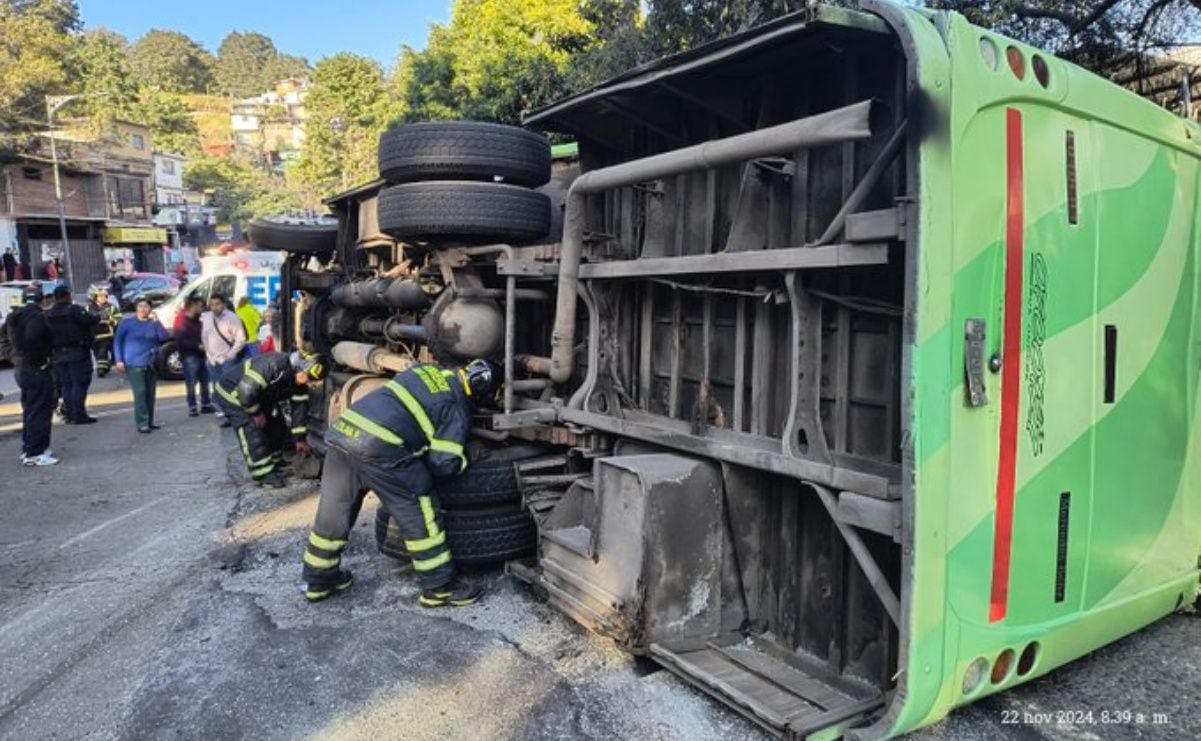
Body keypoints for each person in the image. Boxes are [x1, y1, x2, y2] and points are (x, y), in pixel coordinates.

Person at [301, 359, 501, 607]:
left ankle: (319, 580)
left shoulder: (427, 370)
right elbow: (443, 464)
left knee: (333, 512)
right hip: (380, 447)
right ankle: (439, 587)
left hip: (345, 432)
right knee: (420, 508)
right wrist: (467, 457)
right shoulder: (456, 406)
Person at [214, 351, 324, 488]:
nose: (306, 381)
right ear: (299, 366)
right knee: (252, 431)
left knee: (277, 425)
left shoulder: (299, 383)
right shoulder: (274, 364)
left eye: (310, 380)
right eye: (306, 376)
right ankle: (263, 474)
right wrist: (256, 412)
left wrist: (299, 439)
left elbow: (299, 410)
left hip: (258, 396)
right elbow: (246, 391)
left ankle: (275, 462)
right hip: (234, 393)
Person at [7, 284, 57, 466]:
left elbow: (5, 339)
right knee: (40, 410)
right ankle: (35, 452)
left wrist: (13, 356)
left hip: (21, 368)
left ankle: (29, 447)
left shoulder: (15, 316)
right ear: (41, 300)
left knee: (29, 409)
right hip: (36, 368)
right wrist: (42, 360)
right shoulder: (37, 317)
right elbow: (33, 339)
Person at [113, 299, 170, 433]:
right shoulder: (127, 323)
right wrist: (119, 360)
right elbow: (118, 341)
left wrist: (157, 321)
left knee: (150, 393)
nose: (143, 309)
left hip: (151, 363)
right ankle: (142, 422)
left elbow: (164, 337)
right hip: (134, 363)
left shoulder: (153, 323)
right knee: (140, 393)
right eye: (140, 306)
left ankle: (150, 421)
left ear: (150, 309)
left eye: (146, 306)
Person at [45, 285, 99, 424]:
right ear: (67, 295)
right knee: (78, 384)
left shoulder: (48, 313)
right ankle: (78, 415)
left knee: (66, 385)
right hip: (76, 352)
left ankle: (69, 414)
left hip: (57, 354)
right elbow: (91, 320)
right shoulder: (73, 310)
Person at [201, 295, 247, 427]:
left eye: (217, 304)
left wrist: (231, 355)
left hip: (228, 359)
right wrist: (209, 355)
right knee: (218, 389)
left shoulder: (232, 318)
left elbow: (241, 339)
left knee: (230, 389)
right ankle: (226, 414)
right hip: (213, 360)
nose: (215, 307)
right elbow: (204, 337)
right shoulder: (207, 317)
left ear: (223, 304)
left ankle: (235, 415)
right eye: (212, 304)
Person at [173, 296, 213, 417]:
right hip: (189, 355)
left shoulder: (198, 321)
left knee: (205, 380)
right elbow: (180, 341)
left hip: (201, 354)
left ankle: (206, 404)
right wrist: (197, 345)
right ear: (192, 305)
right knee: (191, 382)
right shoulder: (181, 321)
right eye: (200, 306)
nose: (202, 308)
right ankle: (192, 406)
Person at [86, 285, 121, 377]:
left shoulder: (111, 307)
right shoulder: (88, 308)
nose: (103, 298)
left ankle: (104, 367)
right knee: (100, 354)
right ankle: (103, 368)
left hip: (109, 335)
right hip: (95, 336)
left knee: (107, 354)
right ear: (95, 297)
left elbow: (119, 318)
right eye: (101, 296)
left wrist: (110, 321)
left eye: (105, 296)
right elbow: (84, 320)